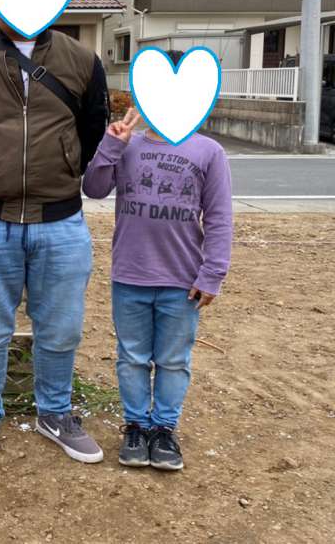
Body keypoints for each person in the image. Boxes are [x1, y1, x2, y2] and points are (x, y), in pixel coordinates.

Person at [0, 15, 110, 464]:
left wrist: (66, 166)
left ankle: (56, 412)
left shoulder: (82, 60)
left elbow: (93, 129)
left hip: (61, 220)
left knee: (62, 328)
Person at [82, 59, 232, 471]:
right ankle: (136, 426)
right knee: (131, 357)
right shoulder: (127, 144)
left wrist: (213, 273)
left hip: (182, 280)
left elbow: (219, 217)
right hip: (130, 274)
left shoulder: (209, 152)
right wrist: (111, 144)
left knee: (173, 360)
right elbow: (94, 188)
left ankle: (164, 429)